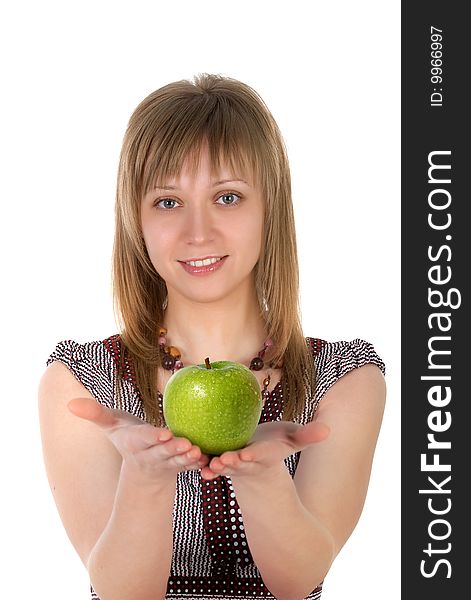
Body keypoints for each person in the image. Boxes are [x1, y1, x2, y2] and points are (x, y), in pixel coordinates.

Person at [38, 73, 386, 600]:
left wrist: (262, 477)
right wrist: (146, 477)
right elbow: (120, 592)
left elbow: (300, 580)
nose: (198, 233)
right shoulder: (82, 383)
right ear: (136, 220)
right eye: (168, 202)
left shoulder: (343, 378)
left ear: (271, 209)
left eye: (227, 197)